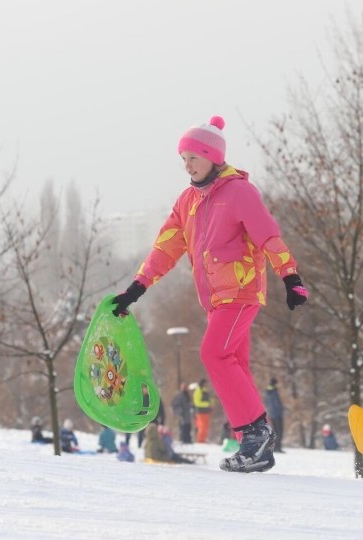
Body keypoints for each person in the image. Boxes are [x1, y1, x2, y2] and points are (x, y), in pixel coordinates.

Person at [110, 115, 308, 474]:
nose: (187, 166)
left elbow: (267, 235)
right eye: (183, 159)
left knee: (213, 353)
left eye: (194, 158)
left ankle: (255, 433)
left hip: (241, 290)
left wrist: (289, 275)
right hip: (215, 301)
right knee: (234, 362)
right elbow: (166, 248)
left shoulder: (239, 192)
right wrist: (136, 288)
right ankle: (257, 447)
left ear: (213, 157)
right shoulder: (187, 201)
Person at [264, 377, 286, 453]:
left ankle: (275, 447)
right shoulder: (274, 392)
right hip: (277, 414)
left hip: (271, 414)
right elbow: (276, 403)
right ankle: (277, 447)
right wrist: (282, 409)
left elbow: (266, 402)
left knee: (275, 431)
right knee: (279, 430)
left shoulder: (267, 392)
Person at [191, 379, 213, 444]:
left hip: (206, 411)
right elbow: (197, 402)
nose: (207, 385)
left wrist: (211, 403)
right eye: (206, 383)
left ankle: (203, 439)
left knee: (206, 426)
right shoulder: (198, 391)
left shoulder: (204, 390)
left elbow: (208, 400)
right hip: (200, 411)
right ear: (203, 383)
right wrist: (206, 404)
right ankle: (200, 440)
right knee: (202, 426)